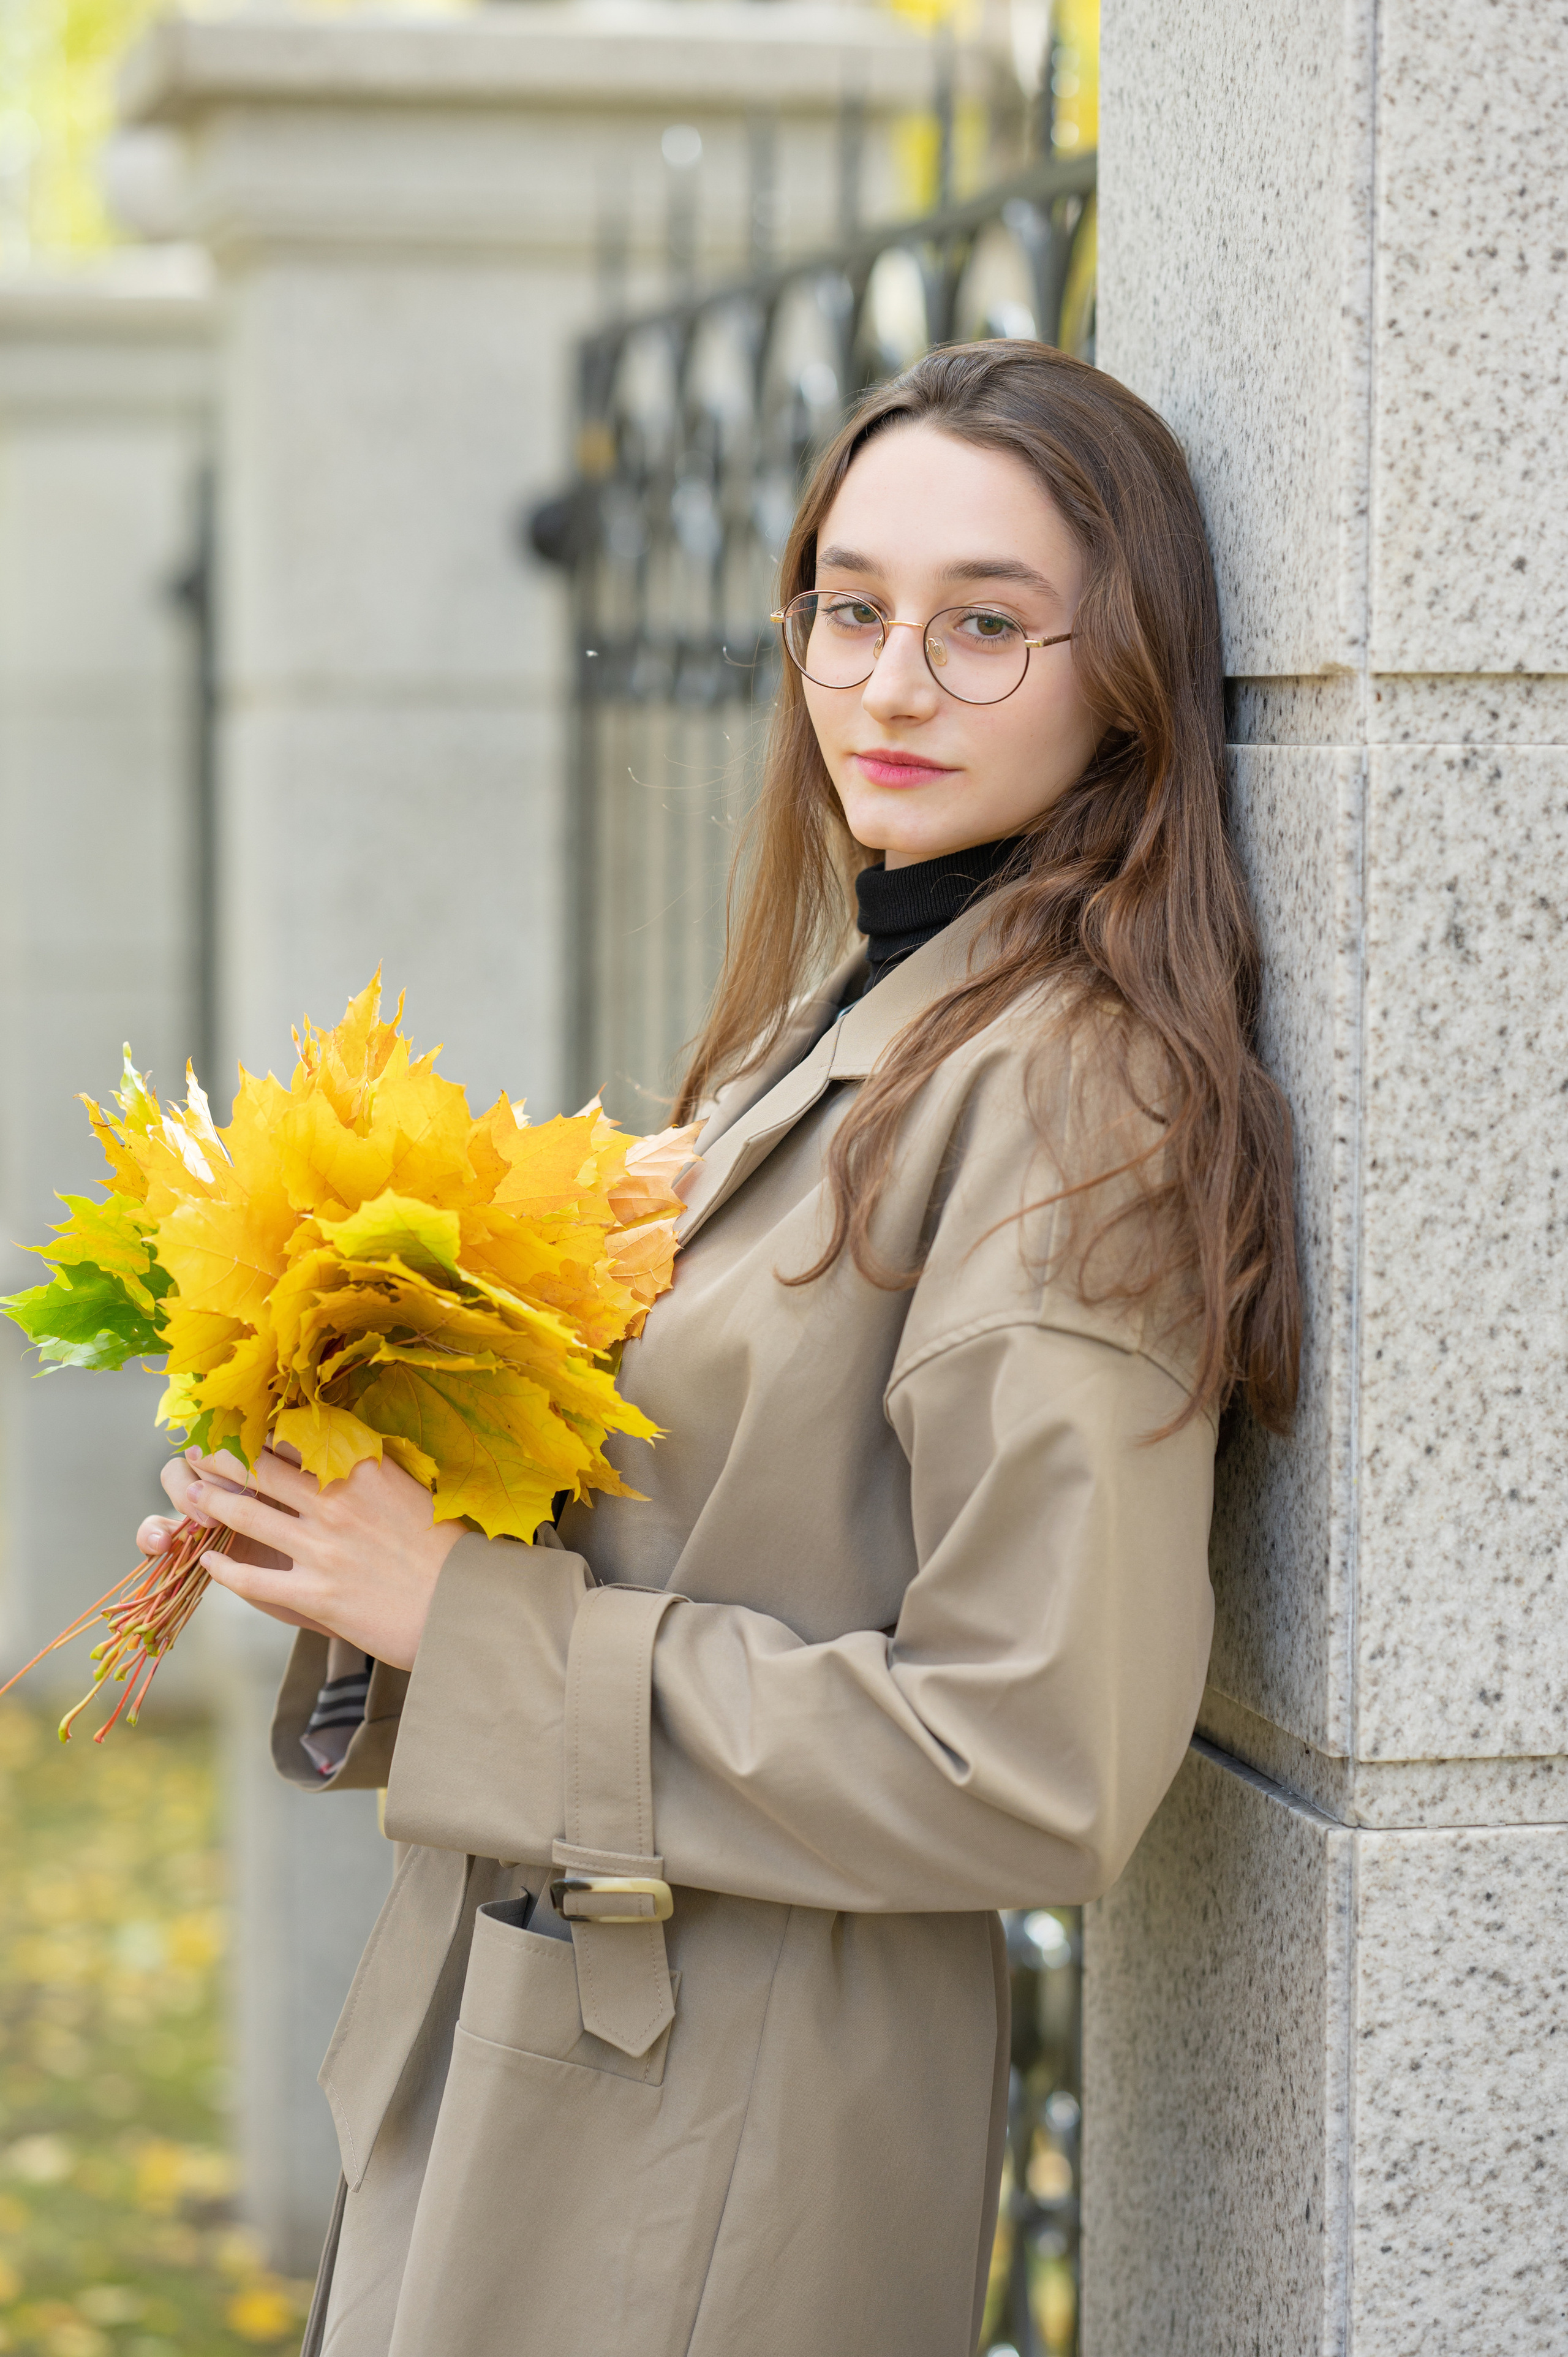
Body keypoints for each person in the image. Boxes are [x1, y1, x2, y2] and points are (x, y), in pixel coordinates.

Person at [137, 341, 1298, 2357]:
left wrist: (467, 1619)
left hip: (731, 2121)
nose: (890, 683)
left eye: (987, 625)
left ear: (1130, 668)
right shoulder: (867, 993)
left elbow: (1038, 1759)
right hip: (576, 2047)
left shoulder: (1074, 1094)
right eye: (850, 609)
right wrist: (375, 1487)